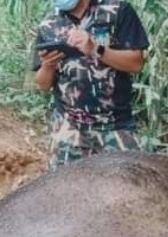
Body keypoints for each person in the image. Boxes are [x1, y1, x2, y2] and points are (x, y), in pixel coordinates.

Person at [33, 0, 149, 170]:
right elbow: (42, 85)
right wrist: (47, 66)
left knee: (126, 188)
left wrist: (96, 49)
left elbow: (136, 64)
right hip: (69, 131)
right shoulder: (49, 26)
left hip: (115, 128)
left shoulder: (117, 11)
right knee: (64, 193)